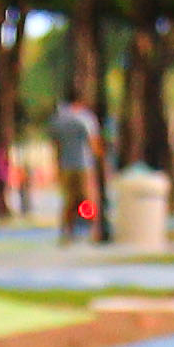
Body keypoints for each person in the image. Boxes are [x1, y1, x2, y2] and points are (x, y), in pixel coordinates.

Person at [51, 85, 103, 242]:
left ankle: (67, 232)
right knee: (89, 198)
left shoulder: (59, 118)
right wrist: (100, 158)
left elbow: (56, 143)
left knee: (69, 200)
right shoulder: (86, 118)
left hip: (66, 164)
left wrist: (58, 163)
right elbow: (93, 142)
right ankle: (95, 231)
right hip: (84, 165)